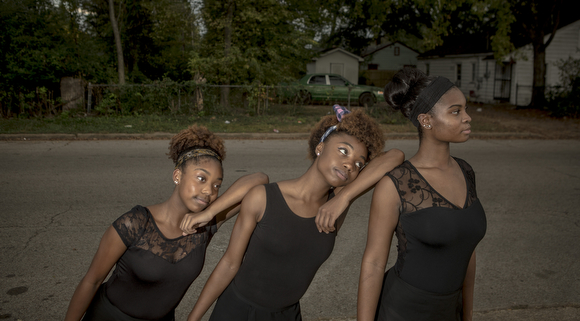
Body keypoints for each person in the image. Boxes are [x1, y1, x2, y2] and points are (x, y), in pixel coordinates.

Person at [184, 105, 404, 321]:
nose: (349, 164)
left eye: (358, 163)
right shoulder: (264, 198)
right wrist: (193, 318)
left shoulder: (336, 206)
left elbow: (396, 155)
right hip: (238, 311)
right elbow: (229, 264)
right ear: (320, 147)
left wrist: (345, 198)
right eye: (343, 151)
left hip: (288, 314)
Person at [64, 125, 268, 321]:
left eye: (217, 185)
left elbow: (260, 179)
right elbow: (92, 281)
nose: (209, 191)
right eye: (201, 178)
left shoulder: (205, 225)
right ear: (177, 176)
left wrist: (210, 213)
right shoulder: (134, 223)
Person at [357, 67, 487, 321]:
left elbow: (466, 249)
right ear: (426, 120)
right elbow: (373, 264)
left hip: (450, 310)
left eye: (466, 109)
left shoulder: (466, 172)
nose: (467, 117)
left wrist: (467, 313)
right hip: (402, 311)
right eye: (456, 111)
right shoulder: (395, 184)